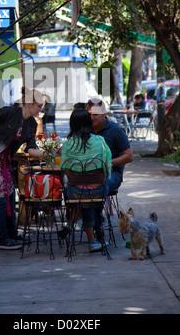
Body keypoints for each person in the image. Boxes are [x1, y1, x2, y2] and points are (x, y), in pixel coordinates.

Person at [0, 86, 46, 250]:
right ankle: (3, 239)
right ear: (29, 103)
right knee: (1, 195)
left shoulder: (31, 124)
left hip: (4, 159)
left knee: (10, 193)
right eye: (39, 105)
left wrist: (47, 153)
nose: (41, 109)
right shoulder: (8, 112)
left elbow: (31, 148)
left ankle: (12, 234)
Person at [61, 108, 112, 252]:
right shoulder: (100, 141)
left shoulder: (67, 144)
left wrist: (75, 181)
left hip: (76, 192)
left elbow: (65, 168)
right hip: (98, 191)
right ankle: (94, 234)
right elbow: (107, 167)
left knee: (82, 197)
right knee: (89, 199)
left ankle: (74, 226)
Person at [86, 97, 133, 241]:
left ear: (104, 114)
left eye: (95, 114)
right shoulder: (85, 129)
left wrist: (108, 162)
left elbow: (129, 156)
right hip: (88, 171)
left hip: (112, 172)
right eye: (89, 114)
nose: (91, 117)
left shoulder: (116, 130)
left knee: (100, 185)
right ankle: (74, 222)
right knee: (72, 184)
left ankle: (97, 222)